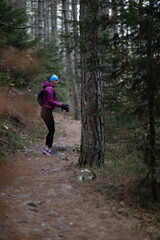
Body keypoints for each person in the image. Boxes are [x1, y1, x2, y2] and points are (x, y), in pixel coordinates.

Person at [41, 74, 69, 156]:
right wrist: (61, 105)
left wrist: (60, 105)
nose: (57, 82)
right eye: (55, 80)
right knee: (52, 130)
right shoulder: (50, 89)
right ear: (52, 81)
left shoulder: (48, 88)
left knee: (50, 130)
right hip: (46, 112)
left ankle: (46, 148)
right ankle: (49, 150)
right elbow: (50, 101)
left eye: (57, 80)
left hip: (45, 111)